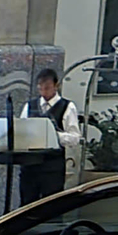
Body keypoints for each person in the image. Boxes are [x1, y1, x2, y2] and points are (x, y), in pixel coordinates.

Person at [17, 68, 76, 205]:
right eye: (40, 88)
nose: (44, 92)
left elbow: (74, 138)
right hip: (30, 166)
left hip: (52, 167)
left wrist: (52, 135)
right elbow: (21, 131)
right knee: (26, 205)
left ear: (56, 86)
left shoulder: (67, 106)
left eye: (47, 88)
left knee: (51, 206)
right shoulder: (29, 106)